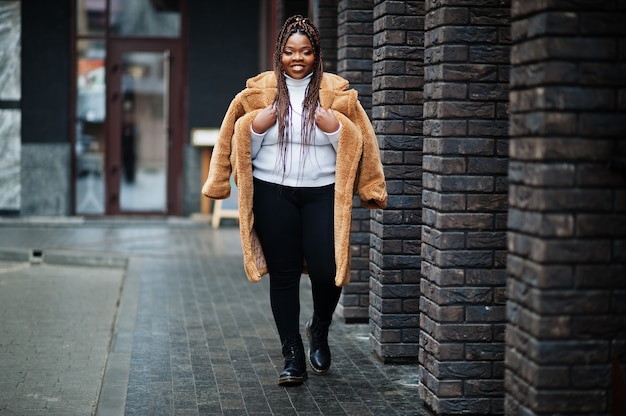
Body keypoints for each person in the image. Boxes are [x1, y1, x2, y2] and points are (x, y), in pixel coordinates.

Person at [202, 15, 387, 387]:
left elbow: (363, 139)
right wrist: (256, 126)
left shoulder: (338, 93)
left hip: (323, 193)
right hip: (273, 192)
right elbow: (230, 139)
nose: (297, 59)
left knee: (328, 270)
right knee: (283, 275)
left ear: (317, 55)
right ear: (279, 54)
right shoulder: (258, 94)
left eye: (305, 52)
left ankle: (318, 329)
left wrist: (336, 129)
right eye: (289, 52)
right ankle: (292, 354)